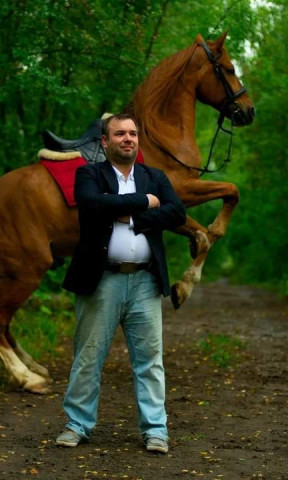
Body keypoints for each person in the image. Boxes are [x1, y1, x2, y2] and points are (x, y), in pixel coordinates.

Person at [57, 113, 186, 454]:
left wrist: (128, 215)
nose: (127, 139)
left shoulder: (154, 176)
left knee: (149, 360)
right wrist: (144, 202)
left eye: (132, 134)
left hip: (145, 280)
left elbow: (176, 214)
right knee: (88, 356)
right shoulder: (89, 173)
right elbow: (91, 204)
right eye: (119, 134)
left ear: (137, 140)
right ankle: (77, 424)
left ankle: (156, 429)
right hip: (101, 280)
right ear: (105, 141)